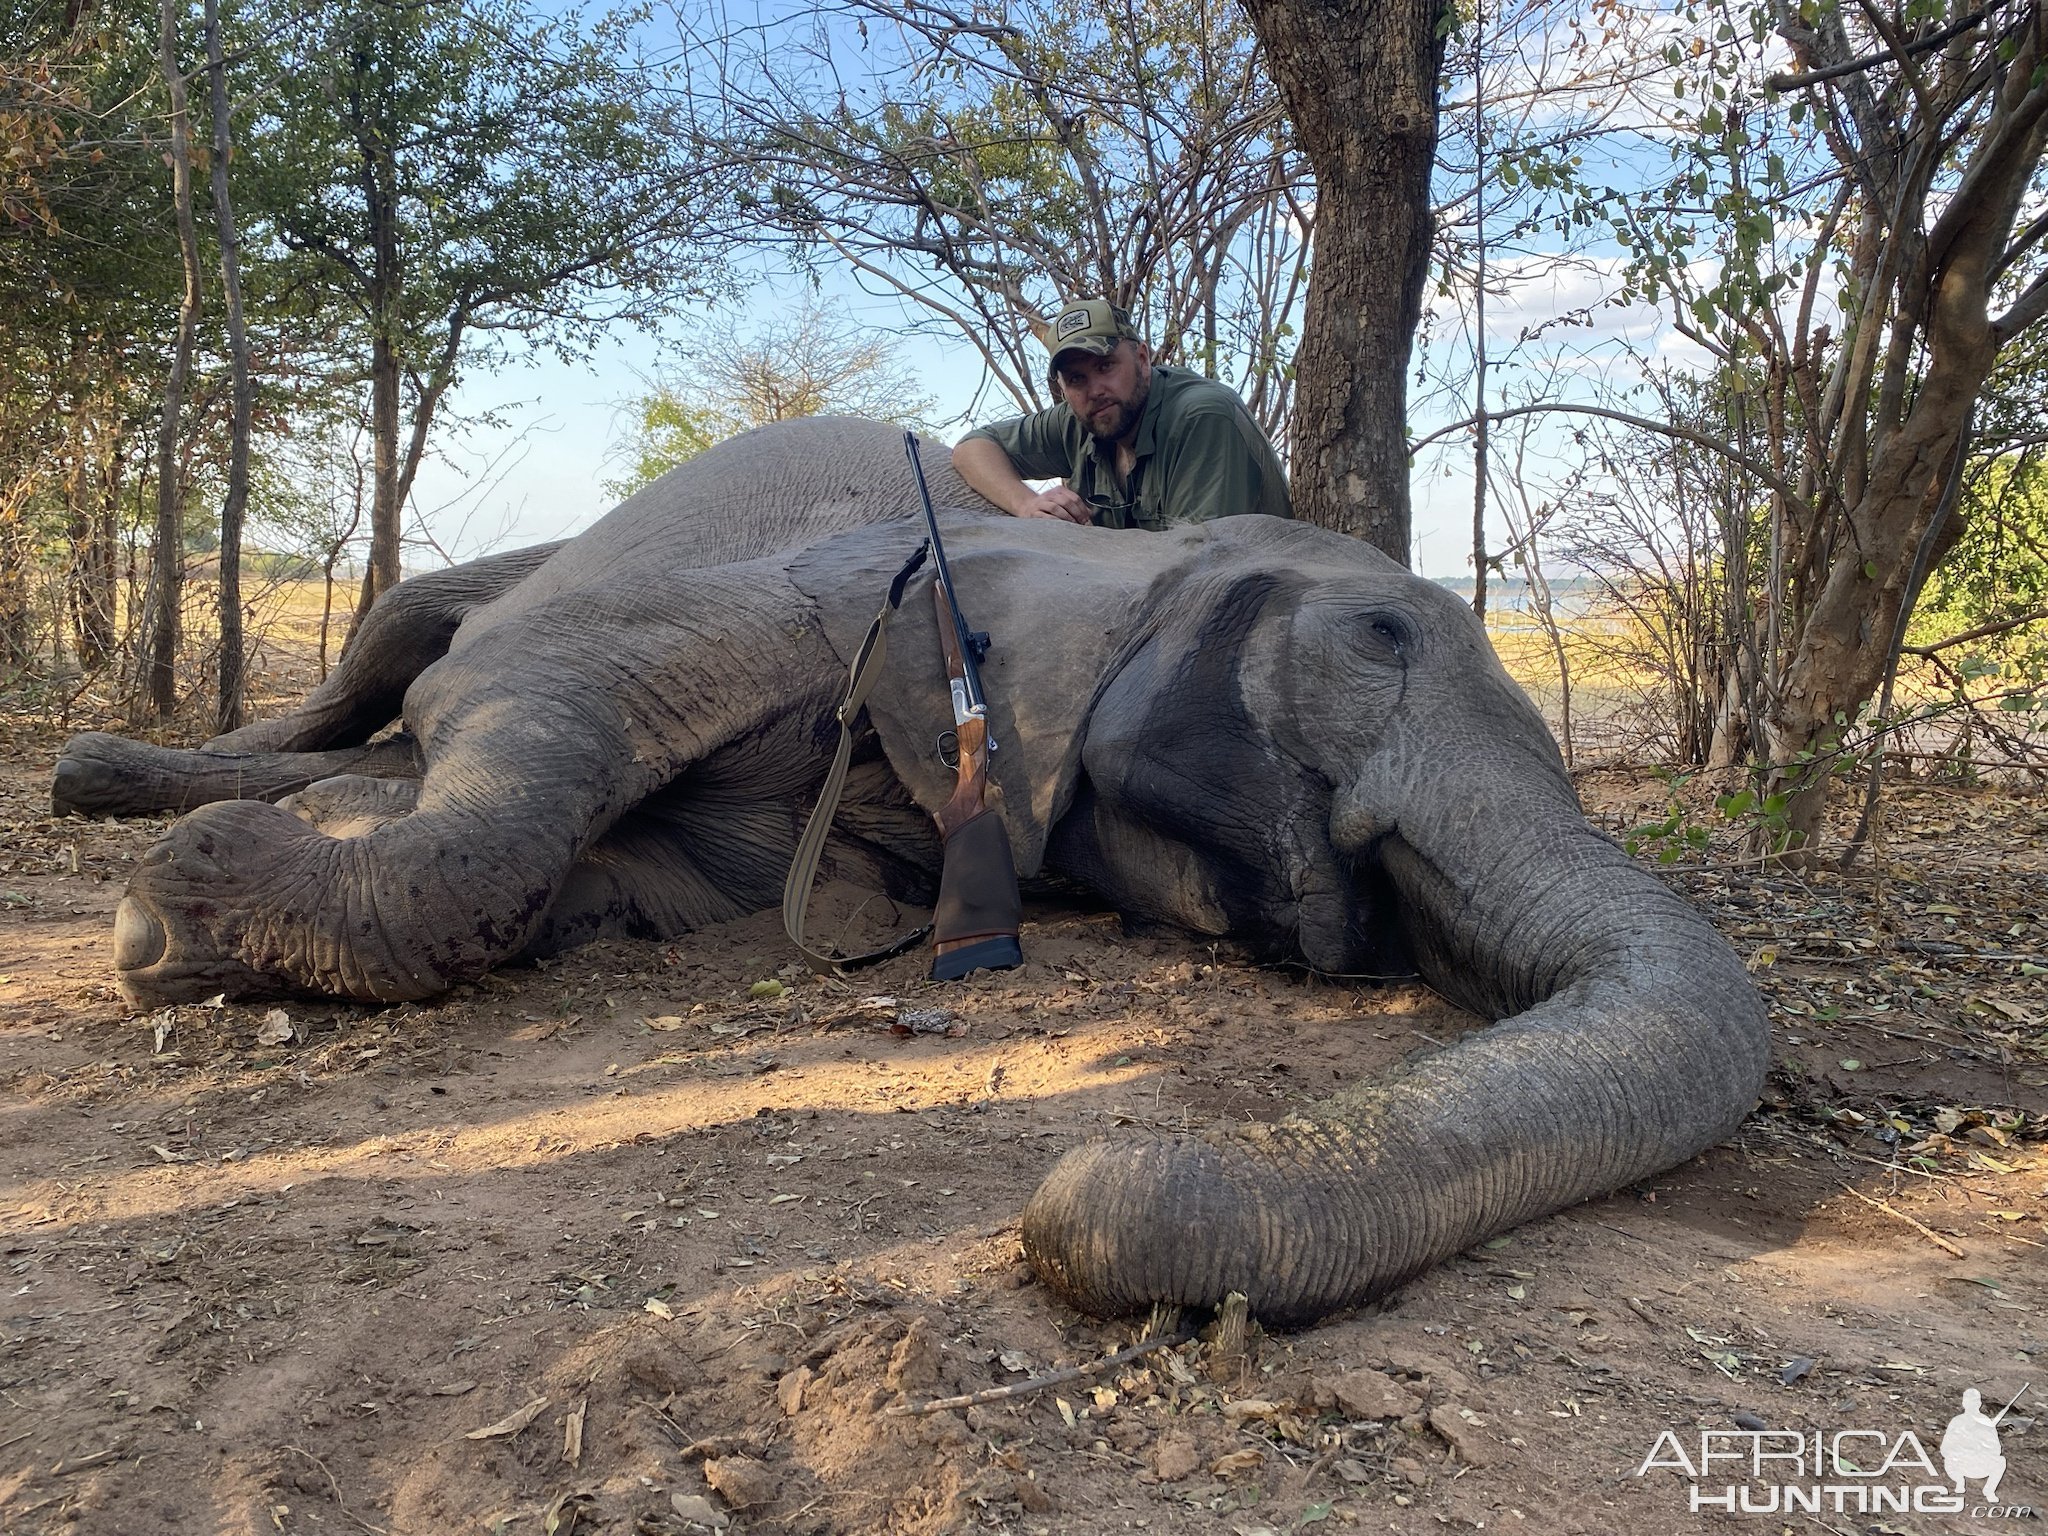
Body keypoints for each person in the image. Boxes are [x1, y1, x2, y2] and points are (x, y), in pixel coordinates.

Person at [952, 298, 1292, 530]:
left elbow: (1200, 573)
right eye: (1076, 378)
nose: (1095, 388)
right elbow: (974, 446)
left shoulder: (1202, 418)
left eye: (1105, 366)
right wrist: (1026, 504)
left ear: (1143, 360)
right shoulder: (1081, 418)